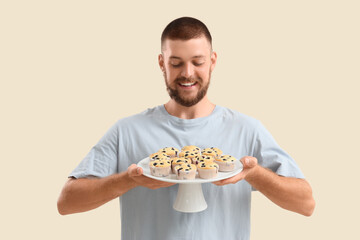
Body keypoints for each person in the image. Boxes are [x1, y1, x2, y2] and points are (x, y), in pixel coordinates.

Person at [57, 16, 315, 240]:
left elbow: (306, 203)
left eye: (198, 62)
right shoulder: (127, 130)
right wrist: (128, 180)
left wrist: (254, 173)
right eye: (176, 63)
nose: (187, 73)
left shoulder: (247, 129)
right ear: (161, 63)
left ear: (213, 61)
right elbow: (67, 202)